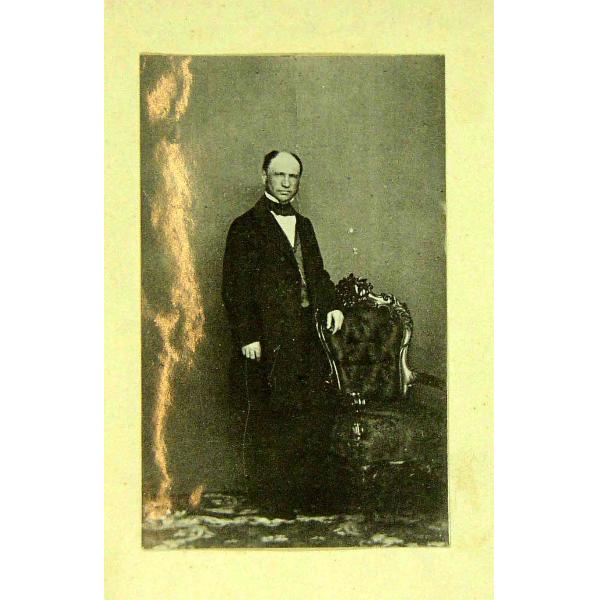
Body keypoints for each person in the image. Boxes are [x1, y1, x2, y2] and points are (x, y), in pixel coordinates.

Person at [222, 150, 344, 515]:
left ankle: (305, 496)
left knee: (310, 414)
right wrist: (248, 336)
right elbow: (235, 287)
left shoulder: (304, 225)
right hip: (269, 339)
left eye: (293, 176)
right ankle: (272, 500)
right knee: (272, 417)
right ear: (264, 177)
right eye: (280, 175)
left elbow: (317, 274)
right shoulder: (245, 226)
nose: (287, 183)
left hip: (307, 337)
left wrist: (332, 304)